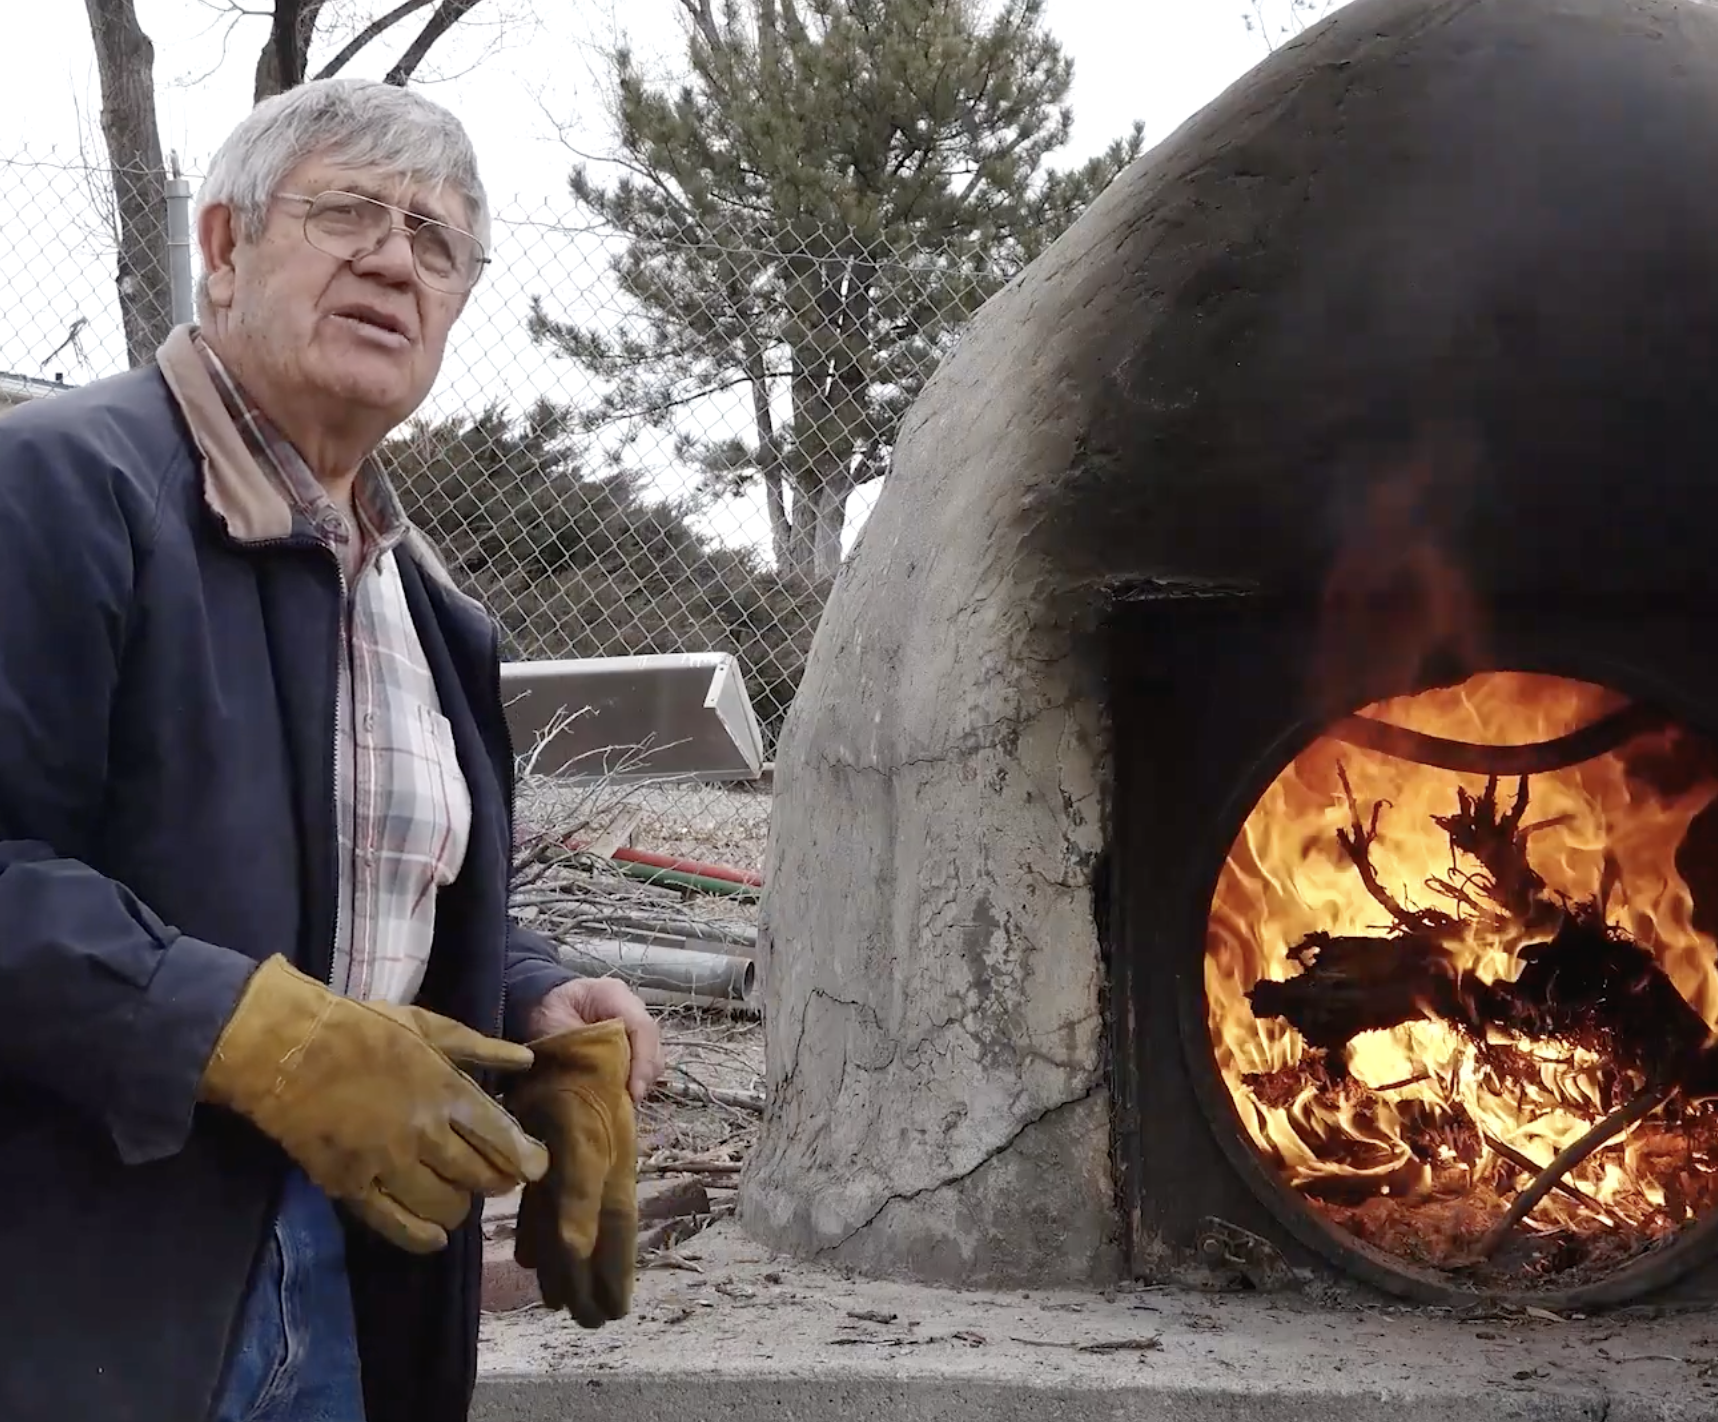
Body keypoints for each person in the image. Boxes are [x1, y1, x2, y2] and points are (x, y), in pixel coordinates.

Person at [0, 77, 664, 1422]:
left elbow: (359, 886)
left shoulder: (425, 605)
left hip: (362, 1269)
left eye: (435, 242)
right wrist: (247, 1034)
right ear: (226, 246)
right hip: (90, 1284)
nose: (393, 257)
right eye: (349, 210)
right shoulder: (57, 485)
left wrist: (535, 996)